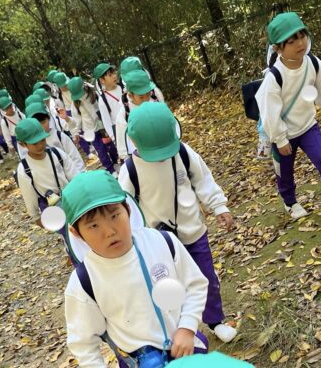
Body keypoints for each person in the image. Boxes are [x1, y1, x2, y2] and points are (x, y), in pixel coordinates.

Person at [63, 170, 209, 367]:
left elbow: (195, 285)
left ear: (128, 210)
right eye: (94, 226)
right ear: (76, 232)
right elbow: (83, 344)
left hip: (185, 348)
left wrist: (188, 327)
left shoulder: (162, 242)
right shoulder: (83, 282)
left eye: (115, 216)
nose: (110, 231)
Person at [118, 102, 237, 343]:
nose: (162, 157)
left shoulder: (182, 153)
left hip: (193, 231)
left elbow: (203, 179)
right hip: (159, 244)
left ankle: (215, 320)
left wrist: (219, 205)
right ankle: (180, 331)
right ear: (133, 141)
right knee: (167, 288)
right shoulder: (130, 171)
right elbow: (126, 210)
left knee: (206, 278)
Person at [255, 12, 321, 219]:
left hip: (308, 126)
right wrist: (280, 138)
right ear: (277, 48)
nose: (300, 43)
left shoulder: (313, 63)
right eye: (291, 41)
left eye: (302, 36)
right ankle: (290, 202)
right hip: (284, 133)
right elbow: (269, 112)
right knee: (285, 171)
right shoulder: (274, 77)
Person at [15, 118, 79, 227]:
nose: (40, 145)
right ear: (22, 144)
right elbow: (29, 195)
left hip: (71, 198)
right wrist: (36, 216)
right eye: (35, 143)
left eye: (42, 140)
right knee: (68, 233)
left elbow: (74, 176)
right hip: (50, 206)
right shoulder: (24, 169)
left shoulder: (56, 153)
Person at [67, 76, 118, 174]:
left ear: (84, 86)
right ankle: (110, 170)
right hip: (90, 131)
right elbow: (77, 120)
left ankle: (115, 162)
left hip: (102, 127)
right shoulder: (75, 104)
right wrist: (76, 133)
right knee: (101, 151)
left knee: (110, 146)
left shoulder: (93, 94)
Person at [25, 102, 85, 172]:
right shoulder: (31, 144)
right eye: (37, 124)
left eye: (43, 122)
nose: (41, 126)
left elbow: (75, 157)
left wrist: (80, 173)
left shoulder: (59, 136)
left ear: (49, 118)